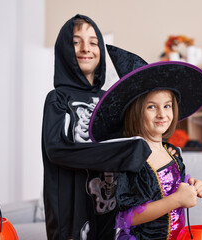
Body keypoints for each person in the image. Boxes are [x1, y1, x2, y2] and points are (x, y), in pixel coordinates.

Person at [41, 14, 153, 240]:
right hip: (70, 213)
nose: (85, 48)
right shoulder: (57, 98)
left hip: (110, 207)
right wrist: (123, 153)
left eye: (93, 42)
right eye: (76, 41)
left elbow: (137, 142)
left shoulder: (110, 98)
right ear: (64, 48)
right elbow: (56, 150)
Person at [89, 45, 202, 239]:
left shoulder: (172, 151)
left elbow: (174, 184)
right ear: (136, 112)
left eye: (167, 106)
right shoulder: (131, 157)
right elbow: (127, 217)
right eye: (152, 107)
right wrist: (177, 200)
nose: (162, 114)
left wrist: (192, 184)